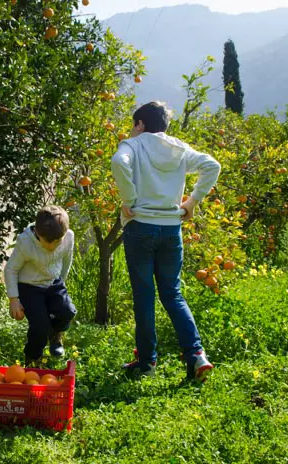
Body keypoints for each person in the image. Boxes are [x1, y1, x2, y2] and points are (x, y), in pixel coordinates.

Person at [111, 101, 221, 382]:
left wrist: (128, 200)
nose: (132, 130)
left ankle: (147, 363)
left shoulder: (133, 145)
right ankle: (196, 355)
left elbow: (117, 162)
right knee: (172, 293)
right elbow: (212, 165)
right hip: (171, 229)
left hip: (141, 228)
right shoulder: (179, 148)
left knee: (145, 297)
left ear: (141, 124)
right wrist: (192, 201)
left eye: (133, 125)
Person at [3, 205, 76, 367]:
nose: (53, 246)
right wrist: (13, 299)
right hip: (29, 287)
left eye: (58, 241)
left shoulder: (68, 237)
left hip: (53, 282)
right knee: (40, 326)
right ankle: (32, 358)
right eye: (47, 243)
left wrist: (61, 283)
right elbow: (11, 269)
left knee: (67, 311)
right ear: (37, 232)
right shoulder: (25, 241)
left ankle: (55, 334)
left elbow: (66, 261)